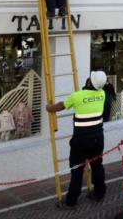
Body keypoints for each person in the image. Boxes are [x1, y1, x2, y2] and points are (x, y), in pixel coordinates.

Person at [46, 71, 107, 210]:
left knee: (77, 169)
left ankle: (71, 201)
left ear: (89, 82)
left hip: (81, 139)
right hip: (98, 137)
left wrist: (49, 107)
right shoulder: (102, 94)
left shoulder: (77, 96)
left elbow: (60, 106)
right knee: (97, 165)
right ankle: (99, 194)